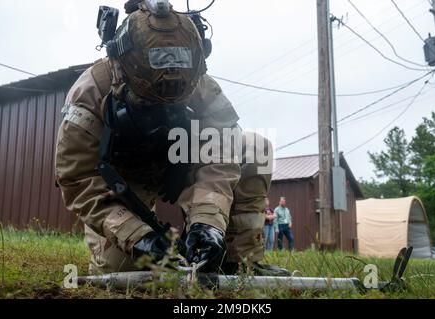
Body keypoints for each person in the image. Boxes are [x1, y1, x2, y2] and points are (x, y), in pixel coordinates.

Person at [54, 1, 290, 276]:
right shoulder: (91, 92)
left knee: (254, 149)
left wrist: (207, 224)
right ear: (121, 65)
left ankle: (239, 259)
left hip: (182, 164)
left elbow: (221, 156)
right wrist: (137, 237)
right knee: (128, 271)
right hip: (124, 181)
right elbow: (78, 178)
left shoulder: (200, 83)